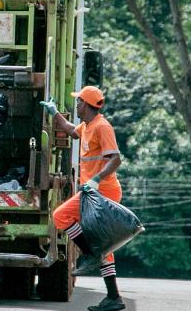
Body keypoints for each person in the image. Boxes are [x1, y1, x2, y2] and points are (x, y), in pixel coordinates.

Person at [41, 86, 125, 311]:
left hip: (102, 192)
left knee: (60, 216)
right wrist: (54, 112)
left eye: (78, 102)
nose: (76, 105)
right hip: (93, 192)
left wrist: (96, 179)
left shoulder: (102, 127)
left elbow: (116, 159)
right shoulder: (87, 126)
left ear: (86, 105)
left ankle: (89, 255)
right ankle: (113, 296)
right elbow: (71, 130)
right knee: (104, 247)